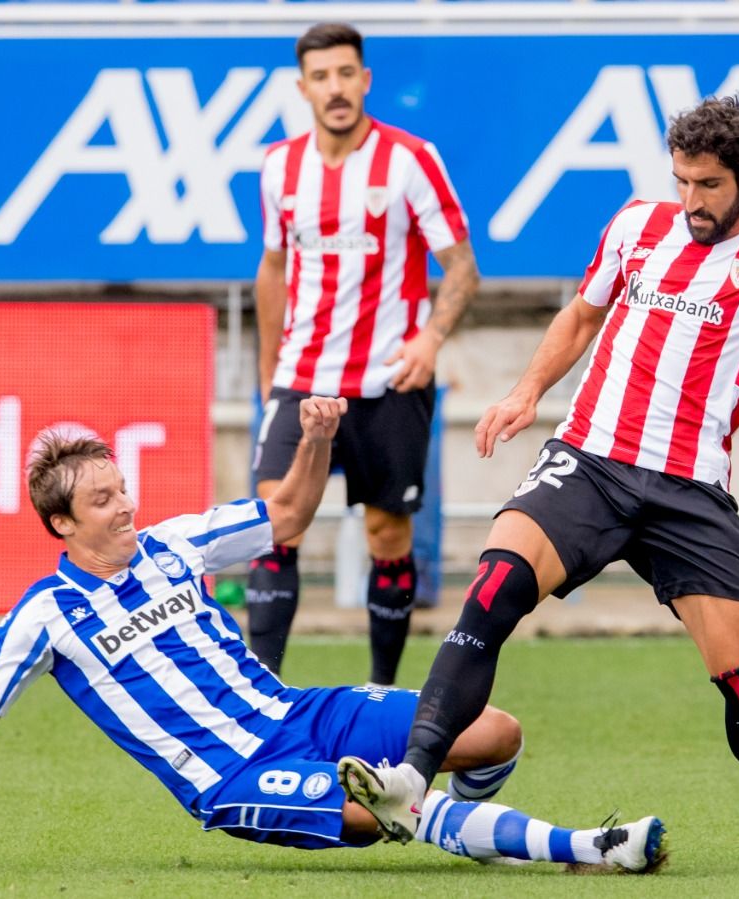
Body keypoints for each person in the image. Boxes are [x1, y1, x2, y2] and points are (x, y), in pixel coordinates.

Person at [338, 96, 739, 871]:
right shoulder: (638, 224)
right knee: (496, 584)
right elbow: (581, 314)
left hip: (688, 491)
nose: (691, 202)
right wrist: (526, 391)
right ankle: (411, 777)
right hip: (590, 462)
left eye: (708, 186)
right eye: (682, 182)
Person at [0, 399, 665, 873]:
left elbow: (288, 517)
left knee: (495, 731)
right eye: (102, 499)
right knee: (376, 814)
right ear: (61, 523)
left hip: (297, 712)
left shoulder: (174, 541)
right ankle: (587, 849)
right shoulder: (44, 613)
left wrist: (316, 442)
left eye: (121, 488)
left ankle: (477, 839)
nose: (125, 506)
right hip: (230, 772)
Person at [247, 22, 481, 687]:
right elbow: (271, 267)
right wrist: (270, 370)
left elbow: (462, 268)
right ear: (303, 88)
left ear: (365, 80)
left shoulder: (409, 159)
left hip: (388, 383)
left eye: (346, 73)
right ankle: (263, 697)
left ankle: (382, 689)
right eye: (321, 77)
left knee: (387, 536)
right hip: (301, 378)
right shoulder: (279, 168)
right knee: (274, 525)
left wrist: (430, 338)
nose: (335, 88)